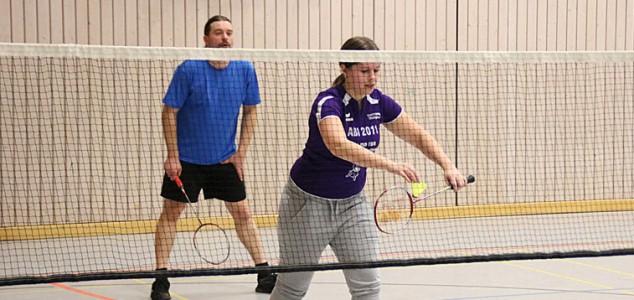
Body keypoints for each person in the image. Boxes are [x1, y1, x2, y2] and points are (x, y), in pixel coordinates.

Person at [269, 36, 469, 300]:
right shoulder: (328, 103)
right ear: (344, 68)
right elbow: (338, 145)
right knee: (292, 289)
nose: (372, 78)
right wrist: (391, 165)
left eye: (376, 70)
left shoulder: (379, 102)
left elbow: (418, 135)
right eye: (364, 71)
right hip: (308, 206)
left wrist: (447, 165)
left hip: (353, 206)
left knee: (368, 287)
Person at [151, 15, 276, 300]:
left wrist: (241, 152)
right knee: (171, 214)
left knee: (242, 212)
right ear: (206, 39)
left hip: (224, 159)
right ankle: (161, 279)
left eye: (229, 33)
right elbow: (169, 112)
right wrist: (173, 155)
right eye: (218, 33)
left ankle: (264, 272)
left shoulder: (245, 69)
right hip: (188, 160)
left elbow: (251, 110)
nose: (225, 38)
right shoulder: (189, 69)